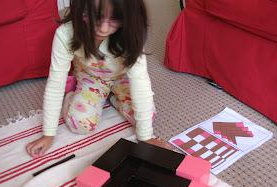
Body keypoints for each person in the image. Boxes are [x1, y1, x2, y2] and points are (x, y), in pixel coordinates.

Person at [26, 0, 169, 157]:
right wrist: (49, 133)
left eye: (114, 19)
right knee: (80, 124)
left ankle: (112, 99)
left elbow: (140, 84)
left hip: (122, 78)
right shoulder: (66, 34)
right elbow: (55, 83)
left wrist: (145, 138)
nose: (103, 29)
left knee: (146, 116)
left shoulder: (130, 35)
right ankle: (72, 95)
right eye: (96, 17)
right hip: (91, 77)